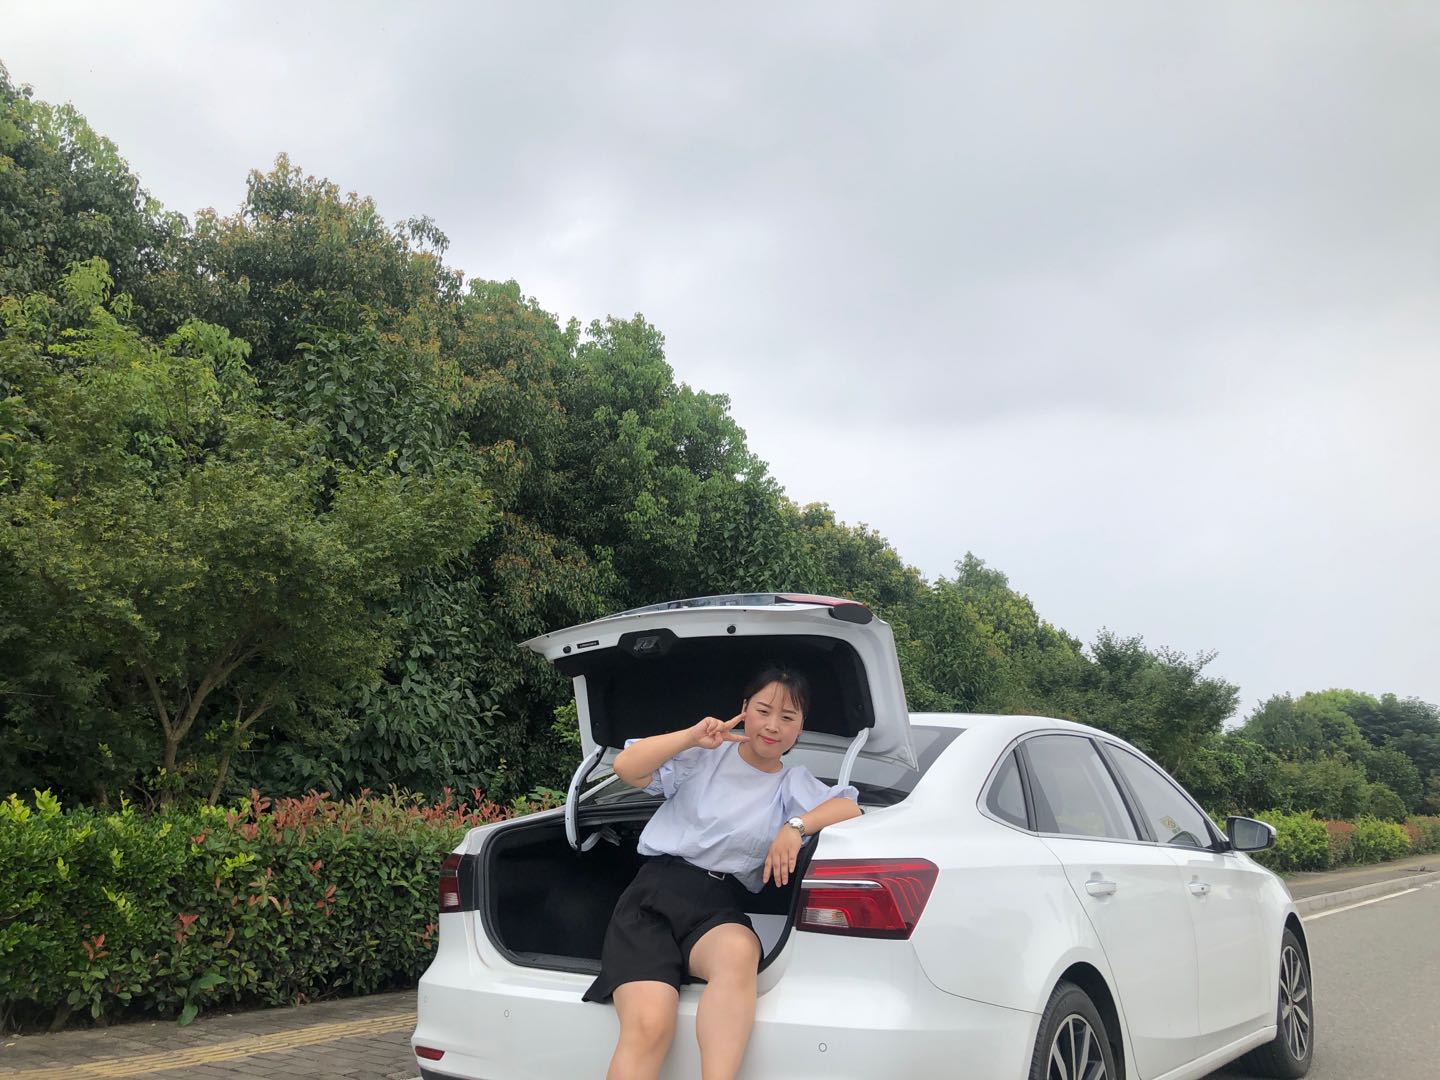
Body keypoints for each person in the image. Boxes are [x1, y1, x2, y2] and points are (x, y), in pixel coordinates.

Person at [583, 665, 862, 1080]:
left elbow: (850, 807)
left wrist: (795, 826)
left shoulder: (792, 783)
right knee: (650, 1027)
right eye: (763, 711)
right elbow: (627, 766)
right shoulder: (703, 755)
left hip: (715, 907)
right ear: (744, 709)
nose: (773, 726)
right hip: (653, 896)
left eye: (788, 717)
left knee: (739, 951)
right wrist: (691, 736)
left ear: (800, 729)